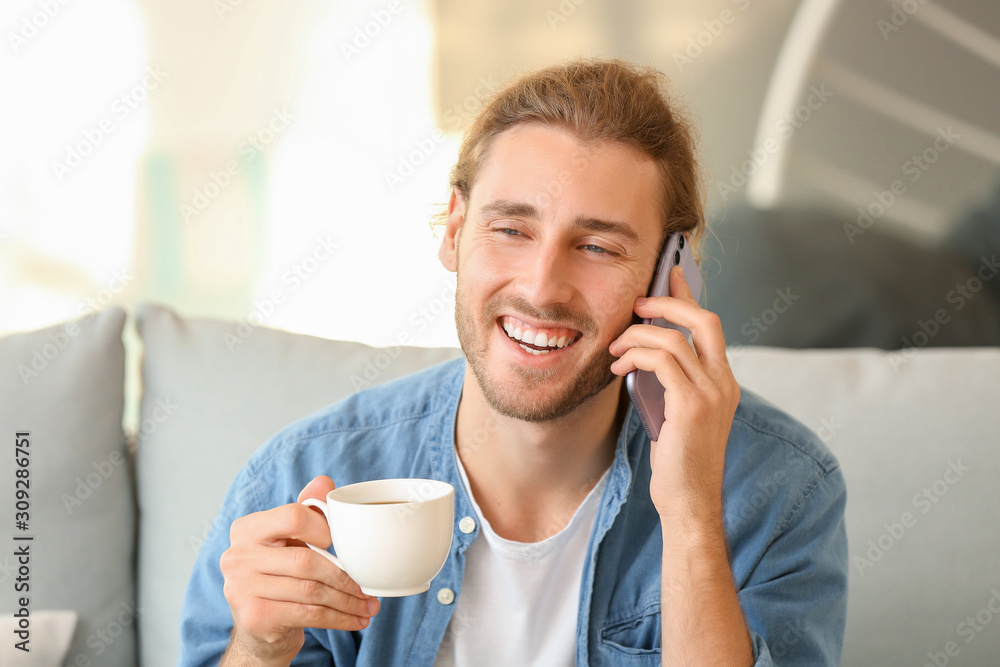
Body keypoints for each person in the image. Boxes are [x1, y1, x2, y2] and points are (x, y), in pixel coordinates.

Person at [179, 58, 848, 666]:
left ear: (671, 275)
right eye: (512, 230)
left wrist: (692, 508)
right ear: (453, 229)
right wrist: (259, 650)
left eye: (597, 247)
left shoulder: (779, 492)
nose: (541, 287)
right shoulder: (299, 478)